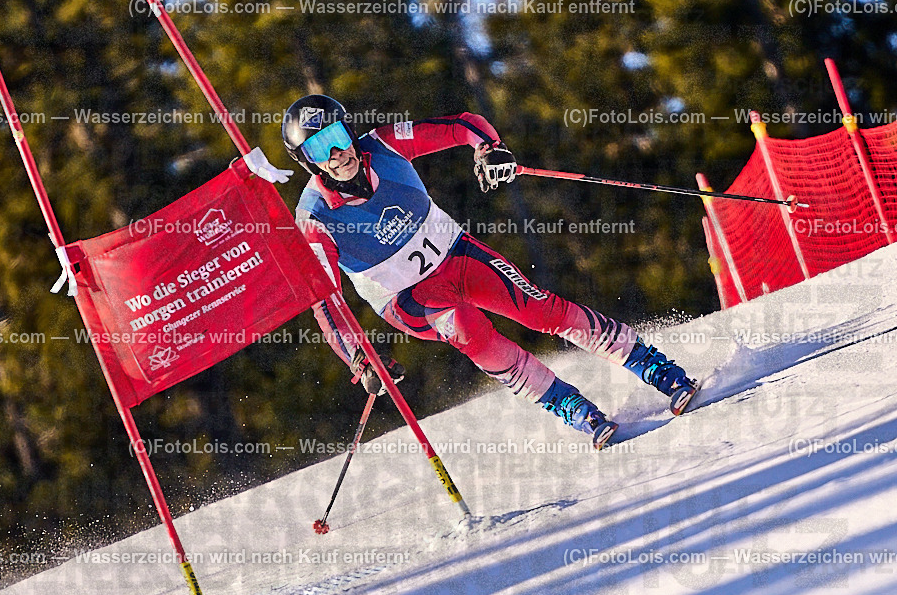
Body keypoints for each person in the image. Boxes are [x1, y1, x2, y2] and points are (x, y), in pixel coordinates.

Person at [280, 95, 697, 449]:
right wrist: (359, 357)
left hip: (458, 255)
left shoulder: (384, 146)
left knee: (541, 310)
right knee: (468, 329)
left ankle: (656, 367)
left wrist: (489, 149)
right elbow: (325, 300)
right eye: (320, 149)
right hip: (411, 300)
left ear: (349, 131)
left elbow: (463, 125)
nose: (337, 154)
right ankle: (569, 405)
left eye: (337, 136)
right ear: (307, 162)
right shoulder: (314, 218)